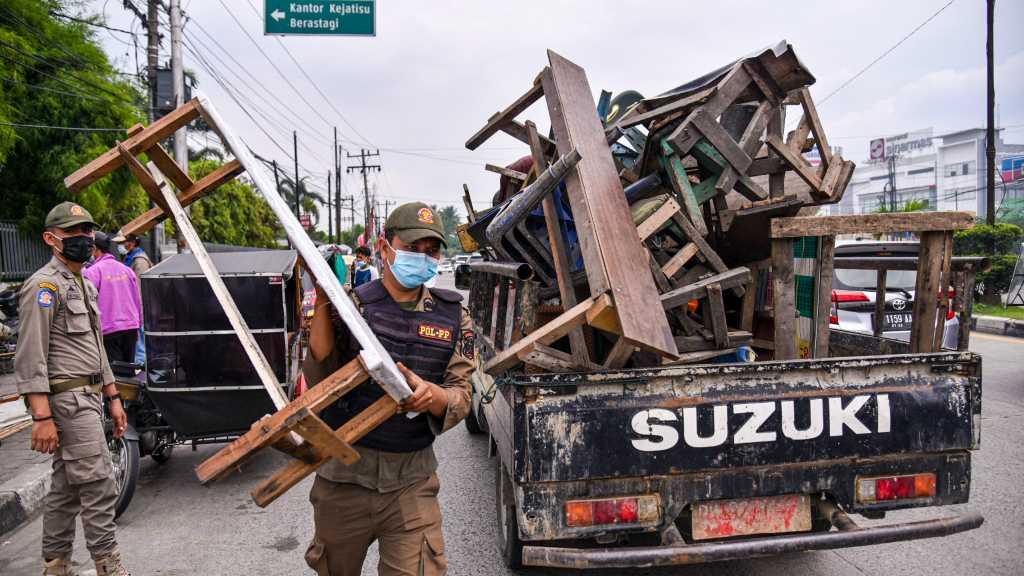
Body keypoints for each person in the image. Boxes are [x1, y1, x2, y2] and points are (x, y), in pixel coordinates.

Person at [303, 202, 476, 576]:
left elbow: (462, 392)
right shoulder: (354, 307)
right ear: (385, 247)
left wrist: (435, 396)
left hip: (411, 483)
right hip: (344, 477)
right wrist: (321, 301)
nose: (423, 258)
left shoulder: (455, 317)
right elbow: (320, 374)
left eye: (432, 251)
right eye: (413, 248)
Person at [14, 202, 131, 576]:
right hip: (68, 402)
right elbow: (30, 356)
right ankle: (109, 566)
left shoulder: (82, 281)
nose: (83, 239)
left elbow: (96, 349)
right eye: (73, 233)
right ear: (51, 239)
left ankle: (56, 564)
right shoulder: (44, 287)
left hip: (90, 397)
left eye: (86, 232)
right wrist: (41, 417)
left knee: (66, 489)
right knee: (99, 484)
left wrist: (113, 397)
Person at [83, 232, 143, 363]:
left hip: (108, 329)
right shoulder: (126, 270)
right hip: (131, 327)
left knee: (115, 375)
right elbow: (137, 299)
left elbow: (87, 302)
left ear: (94, 249)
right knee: (129, 371)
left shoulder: (92, 272)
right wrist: (139, 324)